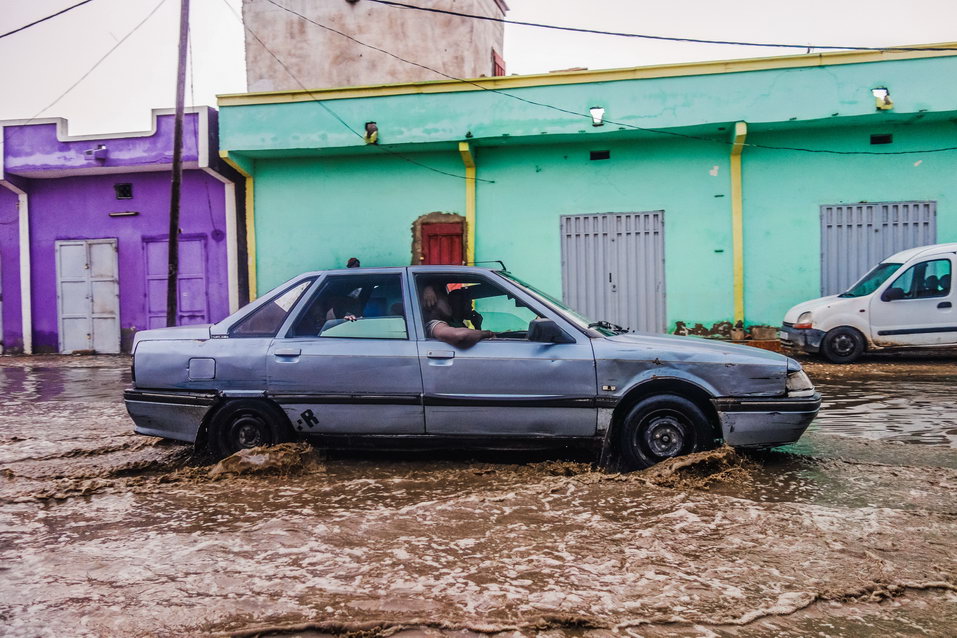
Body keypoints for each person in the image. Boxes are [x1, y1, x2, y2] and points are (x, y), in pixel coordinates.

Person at [422, 283, 493, 348]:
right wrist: (488, 333)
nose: (471, 307)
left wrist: (477, 326)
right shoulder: (433, 325)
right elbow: (459, 335)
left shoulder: (458, 322)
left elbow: (473, 340)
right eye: (467, 303)